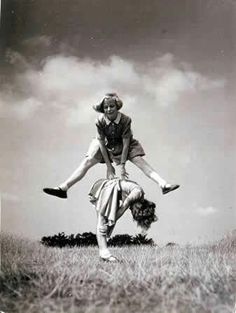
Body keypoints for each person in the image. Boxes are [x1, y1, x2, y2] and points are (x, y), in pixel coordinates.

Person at [43, 93, 179, 199]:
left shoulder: (125, 120)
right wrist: (109, 166)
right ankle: (63, 188)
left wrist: (122, 165)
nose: (109, 109)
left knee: (140, 161)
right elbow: (101, 143)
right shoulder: (100, 121)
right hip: (106, 145)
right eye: (106, 107)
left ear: (117, 106)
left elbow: (126, 144)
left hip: (123, 144)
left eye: (111, 106)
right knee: (87, 161)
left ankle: (163, 185)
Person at [88, 178, 157, 262]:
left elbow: (121, 209)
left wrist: (111, 221)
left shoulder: (138, 195)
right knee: (103, 222)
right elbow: (123, 207)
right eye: (133, 211)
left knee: (104, 222)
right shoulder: (138, 193)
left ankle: (103, 254)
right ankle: (104, 254)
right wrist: (111, 221)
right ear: (141, 209)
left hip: (110, 190)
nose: (131, 211)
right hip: (107, 189)